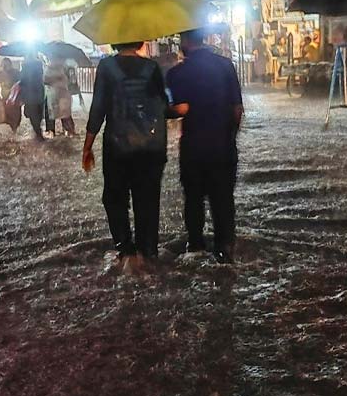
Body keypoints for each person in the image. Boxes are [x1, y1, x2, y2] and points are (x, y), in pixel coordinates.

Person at [82, 41, 168, 262]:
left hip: (117, 147)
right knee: (147, 200)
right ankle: (148, 252)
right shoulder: (152, 68)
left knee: (114, 198)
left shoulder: (107, 67)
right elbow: (164, 106)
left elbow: (98, 108)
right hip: (151, 148)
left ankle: (125, 250)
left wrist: (87, 146)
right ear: (140, 41)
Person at [166, 28, 244, 264]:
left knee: (193, 198)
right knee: (223, 199)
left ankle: (196, 246)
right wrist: (230, 136)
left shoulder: (176, 73)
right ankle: (225, 248)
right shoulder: (226, 66)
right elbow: (237, 110)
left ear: (185, 42)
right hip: (223, 145)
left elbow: (176, 109)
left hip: (193, 147)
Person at [44, 57, 76, 136]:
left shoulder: (50, 67)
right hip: (63, 93)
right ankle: (69, 130)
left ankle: (51, 131)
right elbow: (72, 81)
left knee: (51, 112)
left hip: (54, 94)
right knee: (65, 112)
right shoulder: (67, 66)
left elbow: (45, 80)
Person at [19, 52, 46, 141]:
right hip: (38, 91)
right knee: (38, 112)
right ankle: (38, 131)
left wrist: (21, 96)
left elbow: (22, 80)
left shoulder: (24, 65)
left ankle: (38, 132)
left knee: (33, 114)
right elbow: (42, 77)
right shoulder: (39, 64)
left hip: (29, 93)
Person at [0, 58, 21, 132]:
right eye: (4, 65)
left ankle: (14, 130)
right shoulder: (2, 73)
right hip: (8, 97)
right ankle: (14, 130)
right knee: (10, 115)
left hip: (13, 98)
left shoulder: (15, 73)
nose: (5, 66)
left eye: (6, 64)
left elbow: (21, 83)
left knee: (14, 116)